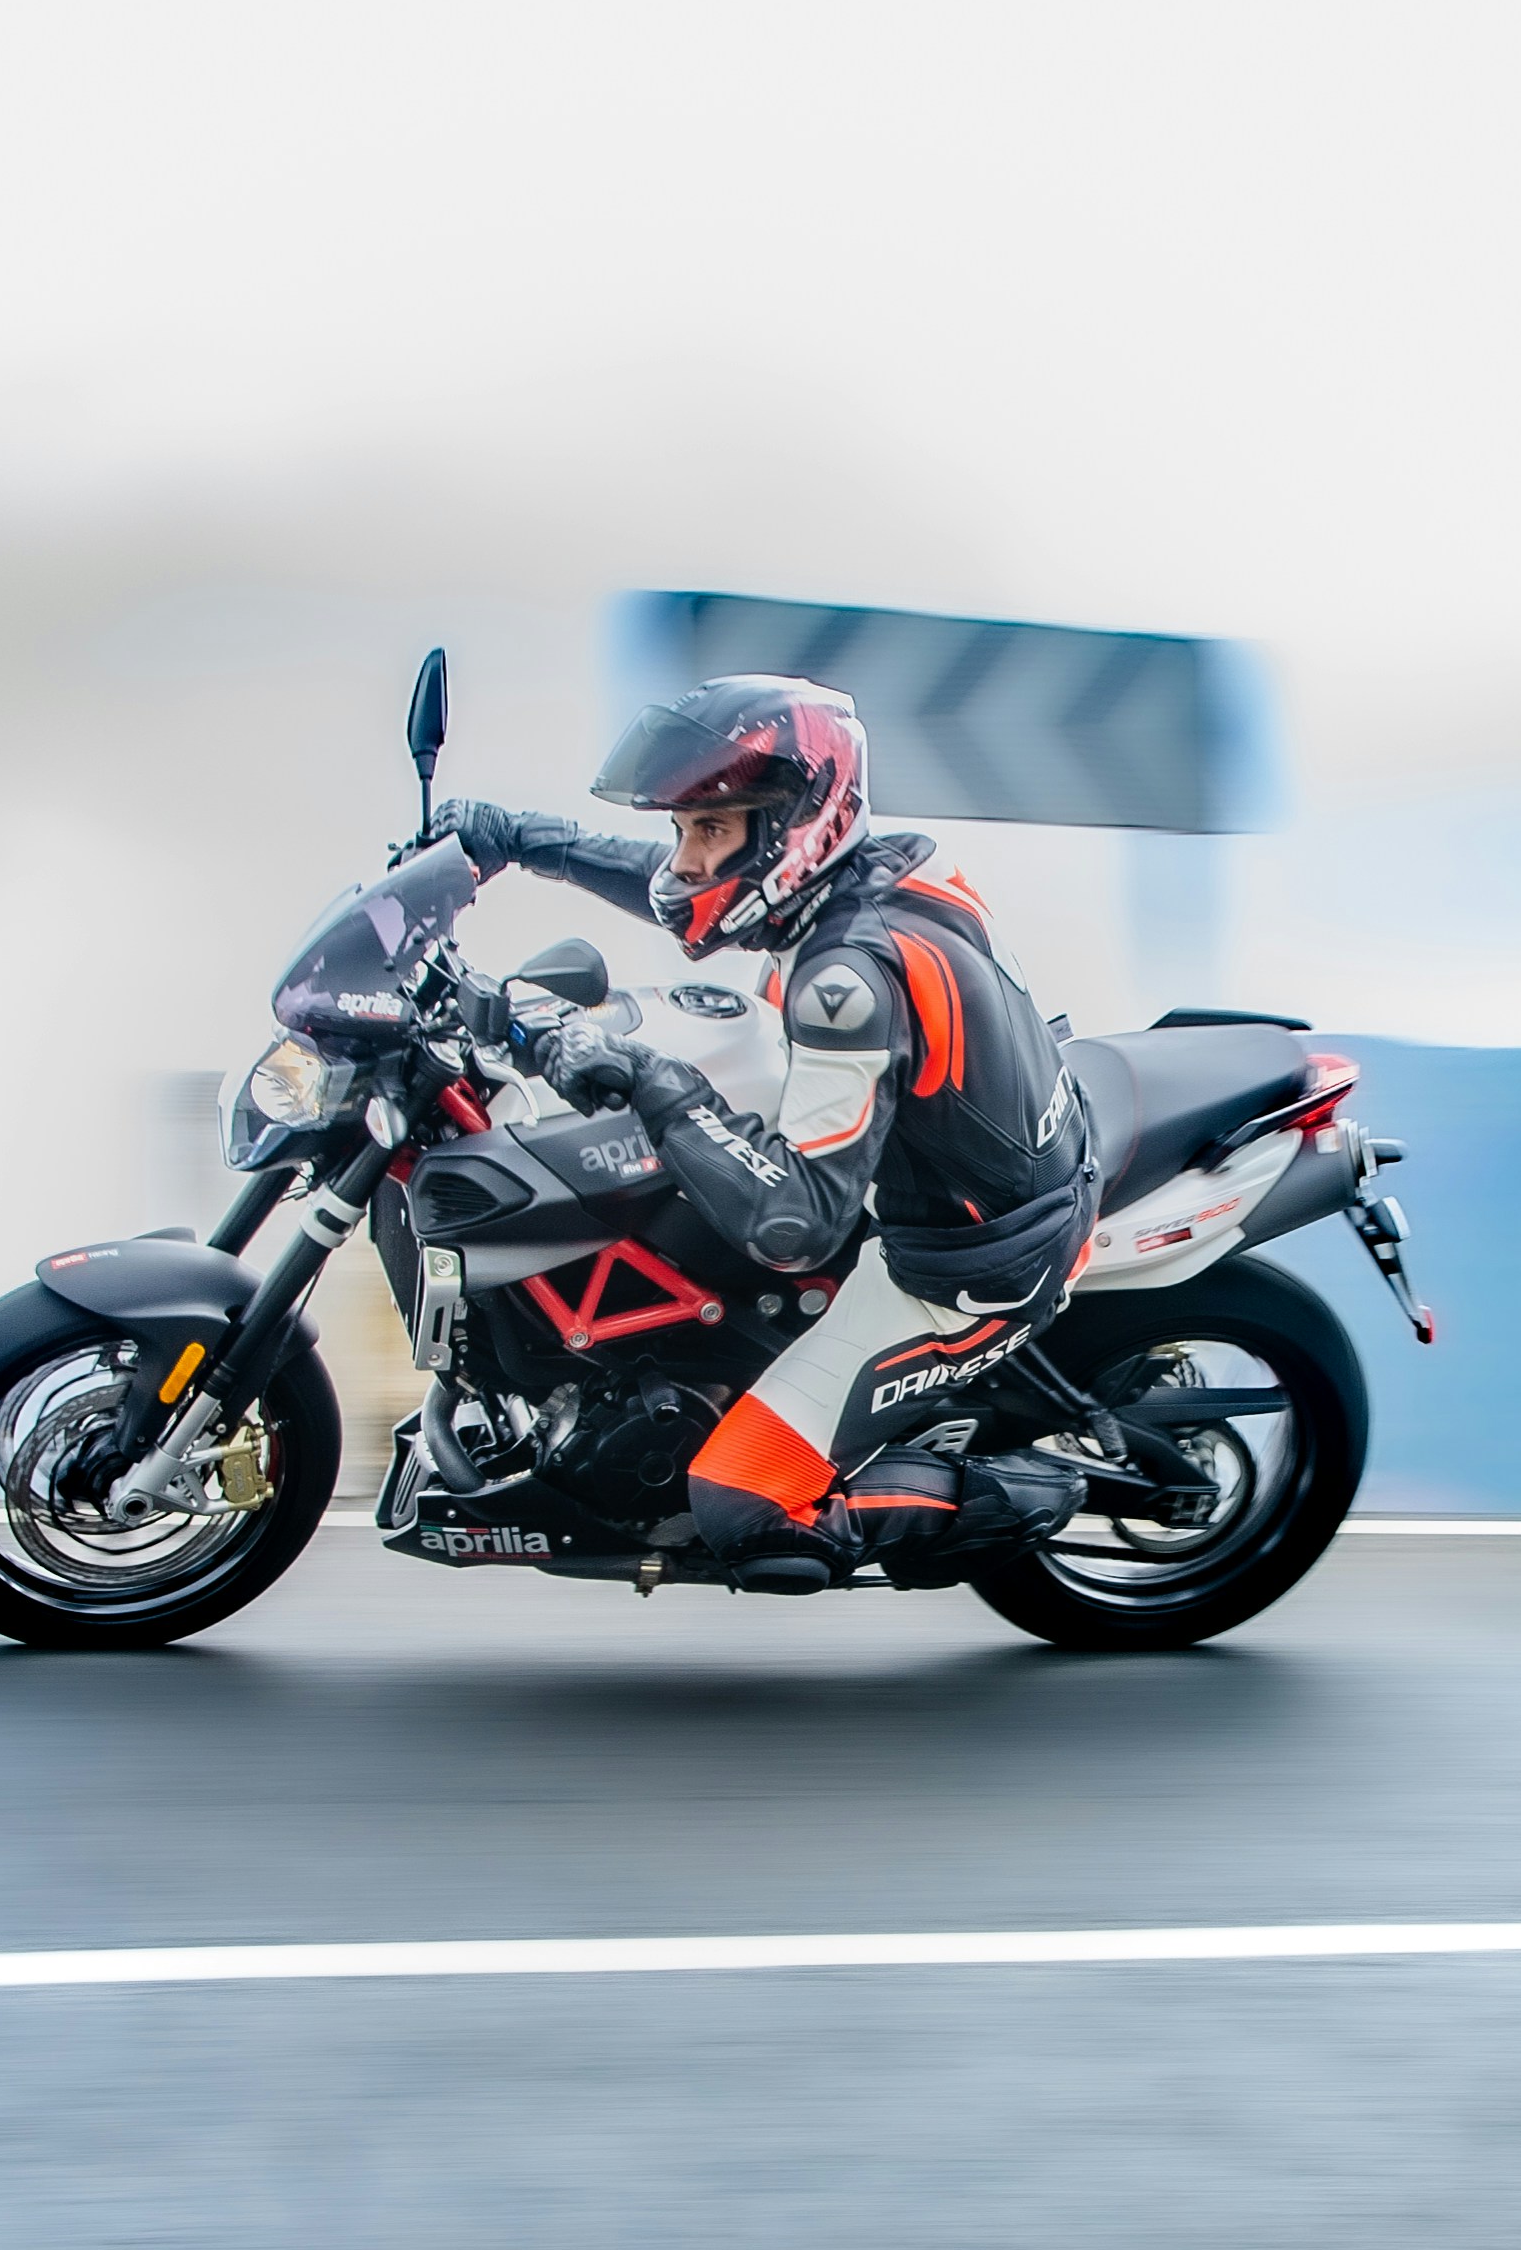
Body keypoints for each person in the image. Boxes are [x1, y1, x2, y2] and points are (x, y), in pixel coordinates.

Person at [436, 675, 1096, 1592]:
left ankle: (1024, 1494)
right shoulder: (865, 871)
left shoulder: (845, 982)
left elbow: (794, 1225)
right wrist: (515, 839)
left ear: (792, 826)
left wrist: (643, 1076)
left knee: (739, 1506)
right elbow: (681, 888)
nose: (686, 858)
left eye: (709, 830)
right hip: (961, 1159)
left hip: (966, 1264)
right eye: (684, 830)